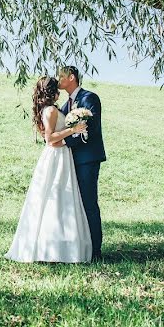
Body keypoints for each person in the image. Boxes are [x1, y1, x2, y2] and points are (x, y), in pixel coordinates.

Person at [5, 76, 92, 263]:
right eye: (57, 88)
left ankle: (57, 246)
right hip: (57, 156)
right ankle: (53, 249)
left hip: (61, 155)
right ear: (52, 91)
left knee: (59, 199)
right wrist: (73, 129)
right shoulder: (51, 110)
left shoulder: (50, 109)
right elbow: (50, 139)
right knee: (57, 198)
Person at [57, 65, 105, 261]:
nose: (58, 79)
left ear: (72, 77)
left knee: (88, 203)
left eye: (61, 76)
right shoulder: (64, 106)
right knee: (73, 204)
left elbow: (90, 128)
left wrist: (65, 141)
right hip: (69, 160)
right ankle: (78, 246)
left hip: (87, 159)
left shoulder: (89, 98)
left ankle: (95, 251)